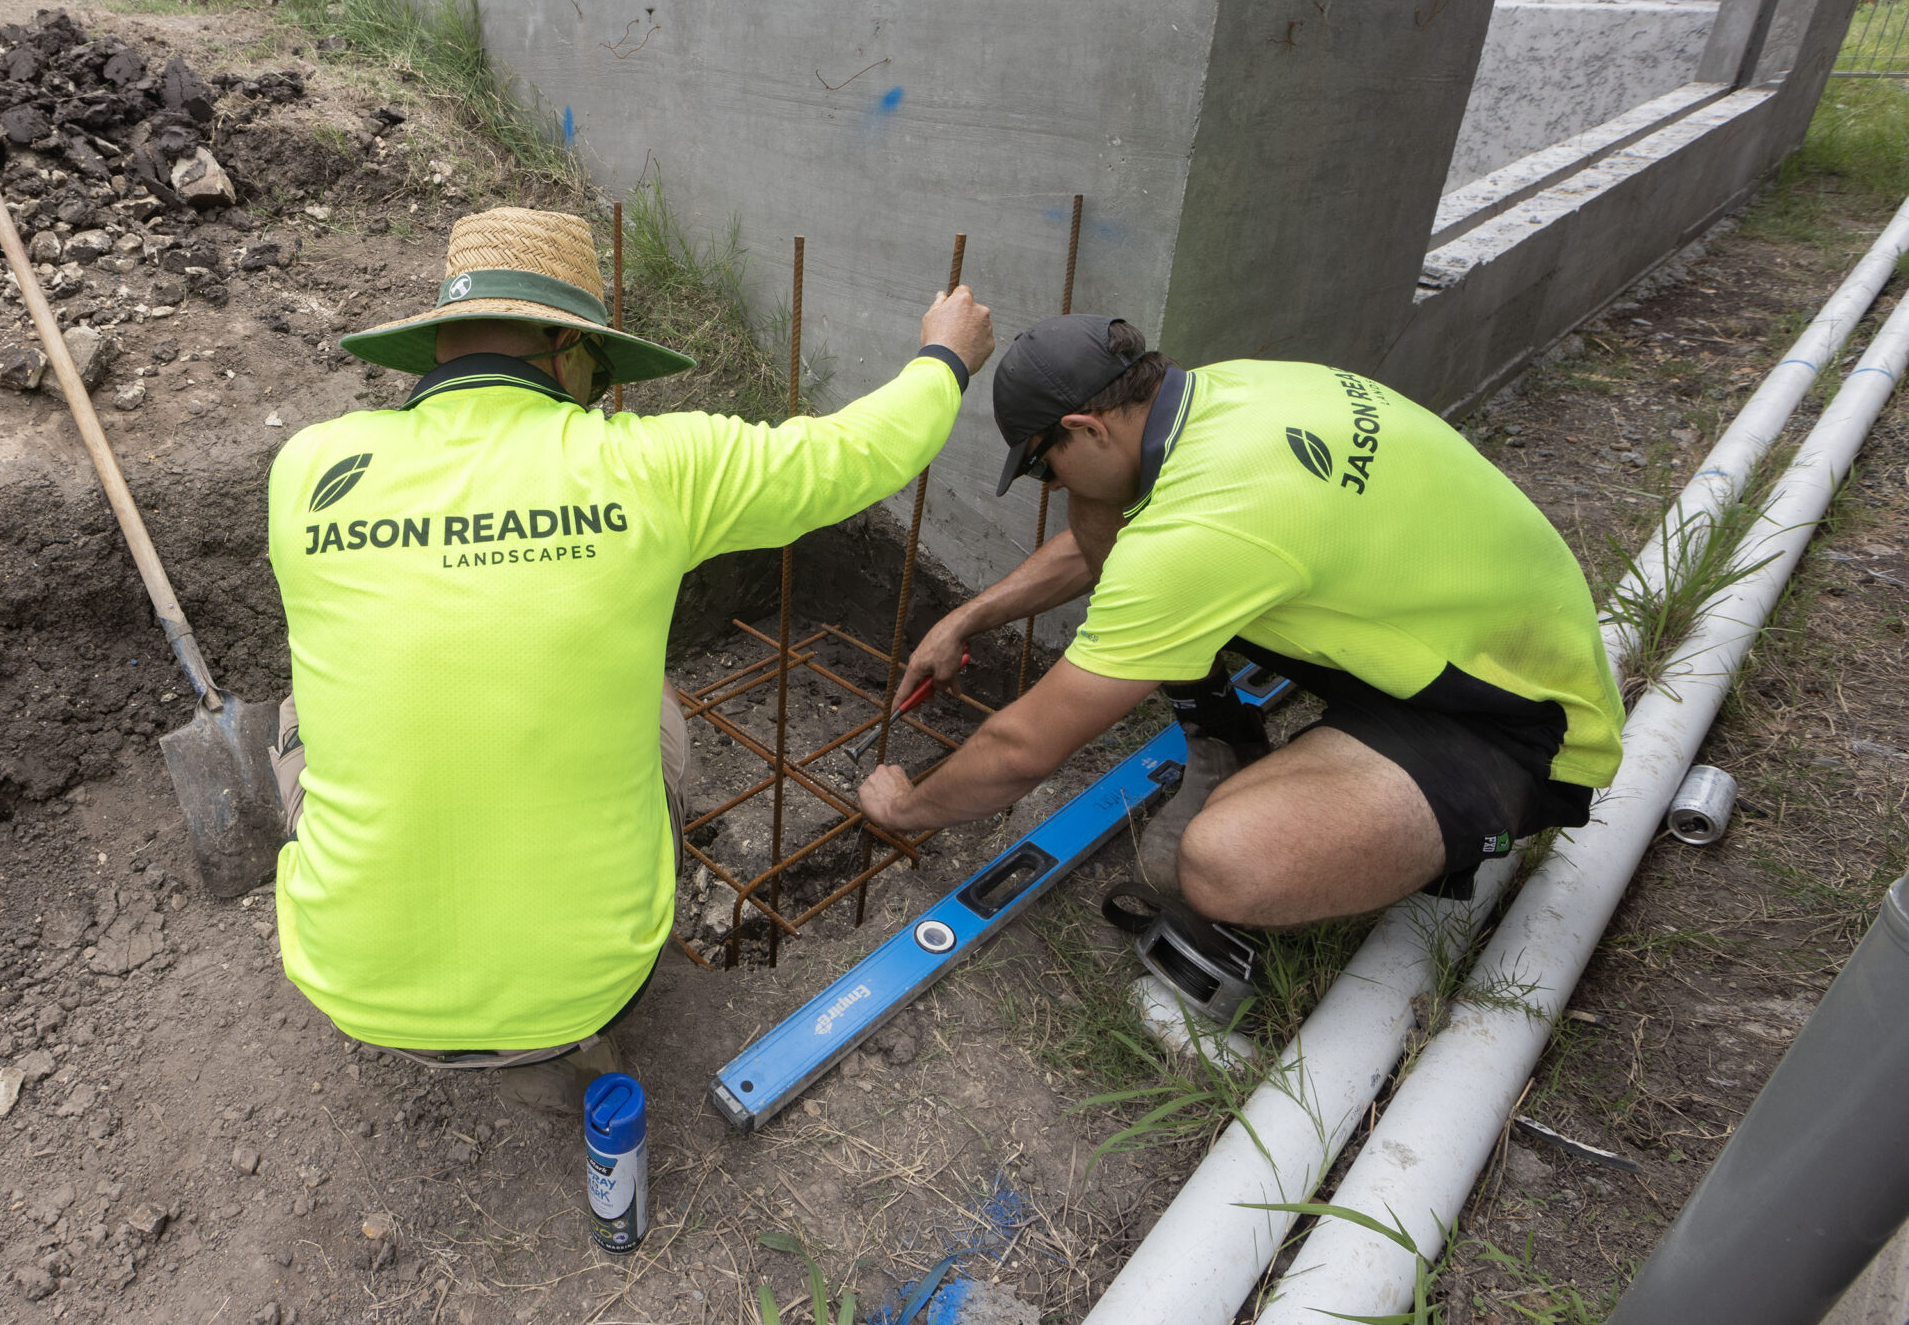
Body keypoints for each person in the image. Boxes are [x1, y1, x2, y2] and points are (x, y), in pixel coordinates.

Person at [241, 206, 995, 1099]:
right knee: (660, 707)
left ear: (440, 344)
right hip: (592, 985)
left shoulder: (309, 467)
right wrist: (944, 358)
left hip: (351, 983)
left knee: (298, 711)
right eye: (598, 373)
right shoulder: (654, 468)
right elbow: (851, 456)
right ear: (569, 352)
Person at [860, 314, 1624, 933]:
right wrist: (971, 615)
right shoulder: (1228, 394)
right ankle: (1229, 739)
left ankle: (1438, 819)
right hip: (1445, 628)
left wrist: (909, 805)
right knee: (1103, 509)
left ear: (1086, 427)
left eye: (1041, 465)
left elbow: (1023, 749)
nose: (1046, 485)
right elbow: (1124, 552)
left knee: (1218, 862)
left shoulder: (1201, 533)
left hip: (1513, 719)